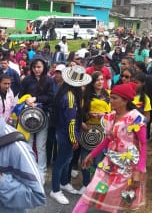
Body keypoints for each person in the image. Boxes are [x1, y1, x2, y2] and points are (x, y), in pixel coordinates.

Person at [75, 83, 147, 213]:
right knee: (92, 190)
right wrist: (92, 155)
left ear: (125, 101)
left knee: (116, 199)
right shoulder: (111, 117)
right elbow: (108, 139)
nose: (110, 101)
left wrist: (139, 170)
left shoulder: (136, 118)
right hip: (108, 163)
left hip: (127, 167)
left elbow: (143, 144)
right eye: (111, 97)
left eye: (114, 98)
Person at [49, 65, 90, 205]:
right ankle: (55, 190)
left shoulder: (65, 93)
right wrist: (74, 139)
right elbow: (71, 122)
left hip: (63, 132)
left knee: (67, 159)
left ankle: (64, 182)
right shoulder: (70, 98)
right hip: (67, 135)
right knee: (61, 162)